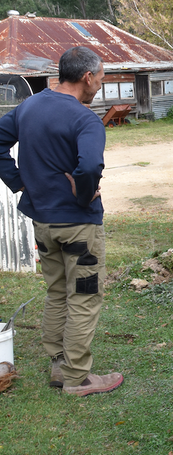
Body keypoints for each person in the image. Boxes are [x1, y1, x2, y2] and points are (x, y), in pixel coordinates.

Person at [0, 46, 123, 397]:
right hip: (78, 226)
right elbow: (88, 168)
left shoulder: (30, 106)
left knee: (57, 292)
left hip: (44, 224)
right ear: (87, 77)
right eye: (100, 78)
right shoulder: (84, 119)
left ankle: (58, 362)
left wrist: (20, 181)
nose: (100, 85)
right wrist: (84, 195)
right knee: (84, 295)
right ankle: (76, 377)